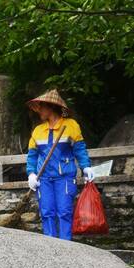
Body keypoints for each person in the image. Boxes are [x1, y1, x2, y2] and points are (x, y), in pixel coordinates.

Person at [25, 89, 94, 241]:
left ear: (50, 107)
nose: (39, 111)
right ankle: (50, 248)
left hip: (65, 178)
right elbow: (32, 156)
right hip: (44, 179)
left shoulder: (70, 126)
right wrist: (31, 173)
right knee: (47, 212)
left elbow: (79, 149)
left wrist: (86, 166)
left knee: (64, 212)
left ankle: (66, 248)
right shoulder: (38, 131)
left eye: (41, 107)